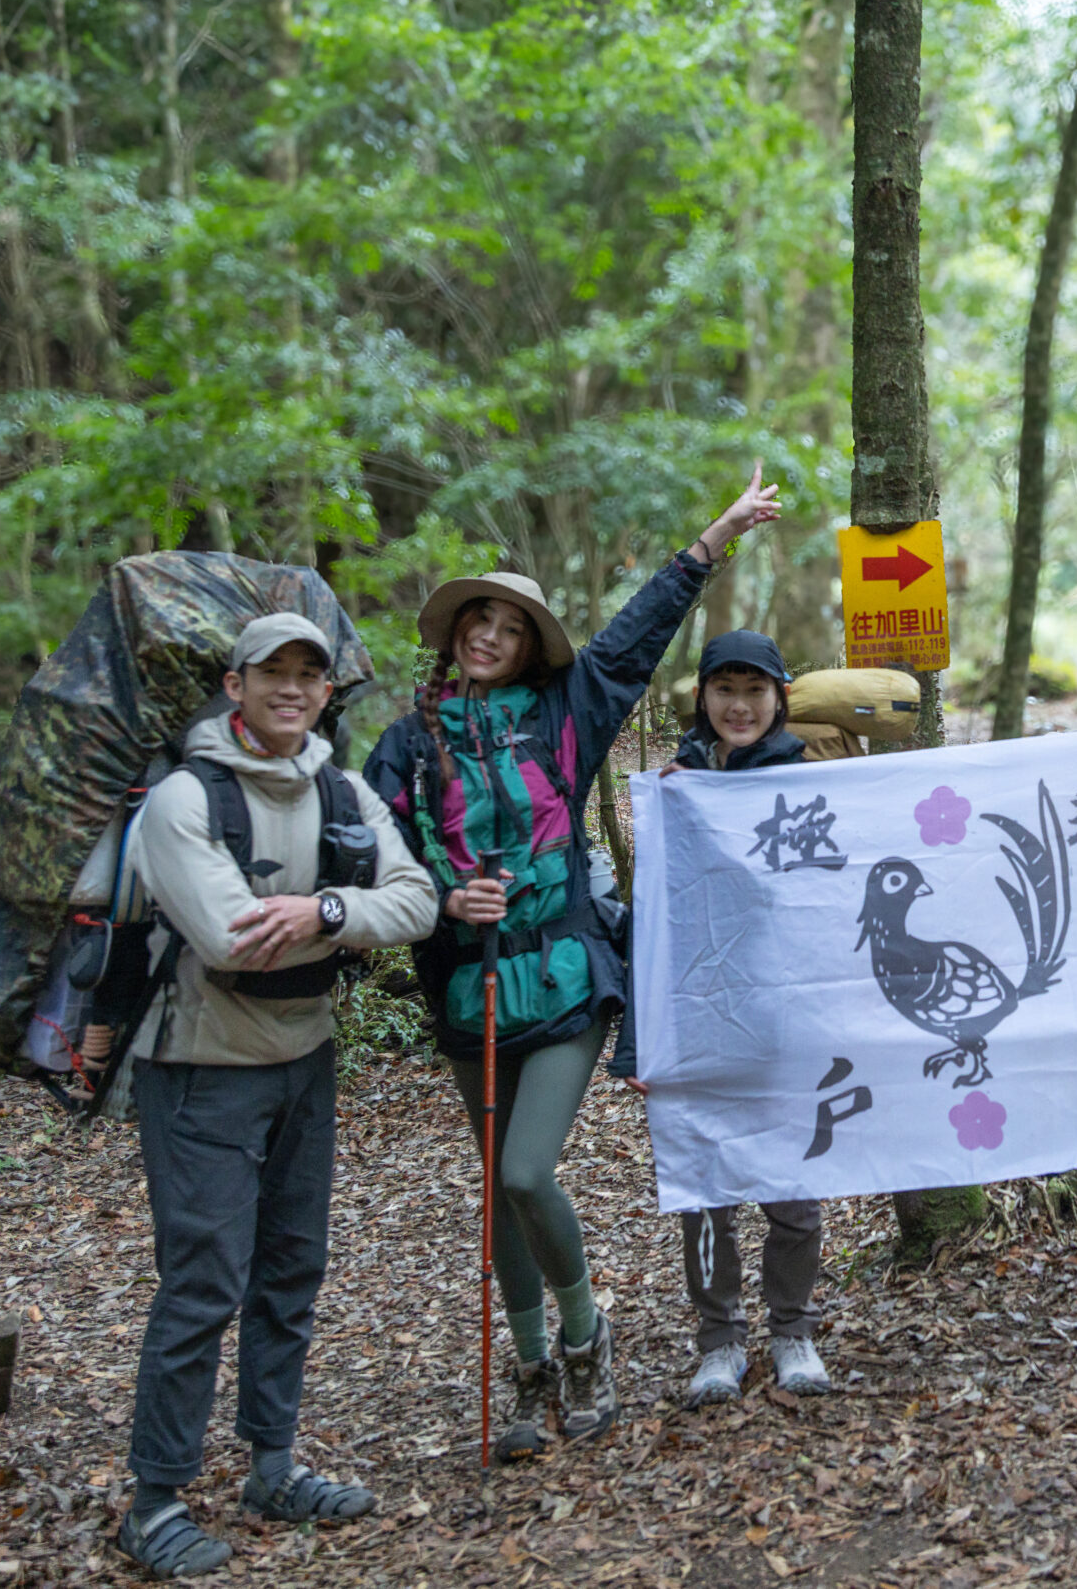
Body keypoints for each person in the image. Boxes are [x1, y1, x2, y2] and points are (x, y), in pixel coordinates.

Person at [362, 468, 781, 1459]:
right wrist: (439, 893)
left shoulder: (568, 709)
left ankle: (586, 1337)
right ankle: (530, 1359)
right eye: (477, 618)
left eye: (508, 624)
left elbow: (638, 632)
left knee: (523, 1168)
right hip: (467, 981)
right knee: (496, 1187)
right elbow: (372, 845)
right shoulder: (409, 742)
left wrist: (715, 535)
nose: (488, 634)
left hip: (563, 977)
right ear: (455, 632)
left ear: (530, 643)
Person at [117, 614, 441, 1580]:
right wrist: (347, 919)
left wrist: (323, 909)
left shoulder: (341, 788)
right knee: (206, 1277)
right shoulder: (184, 799)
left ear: (326, 690)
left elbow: (417, 901)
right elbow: (226, 937)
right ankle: (155, 1497)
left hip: (306, 1056)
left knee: (293, 1265)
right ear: (235, 684)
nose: (293, 688)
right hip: (199, 1065)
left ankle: (273, 1463)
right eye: (274, 673)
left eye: (311, 673)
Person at [624, 629, 832, 1409]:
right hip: (699, 1012)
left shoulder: (805, 783)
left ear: (779, 698)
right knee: (706, 1180)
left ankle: (791, 1327)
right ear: (702, 698)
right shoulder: (676, 785)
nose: (738, 705)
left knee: (791, 1181)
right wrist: (643, 1038)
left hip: (783, 1008)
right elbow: (654, 918)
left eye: (754, 691)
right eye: (723, 690)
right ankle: (719, 1339)